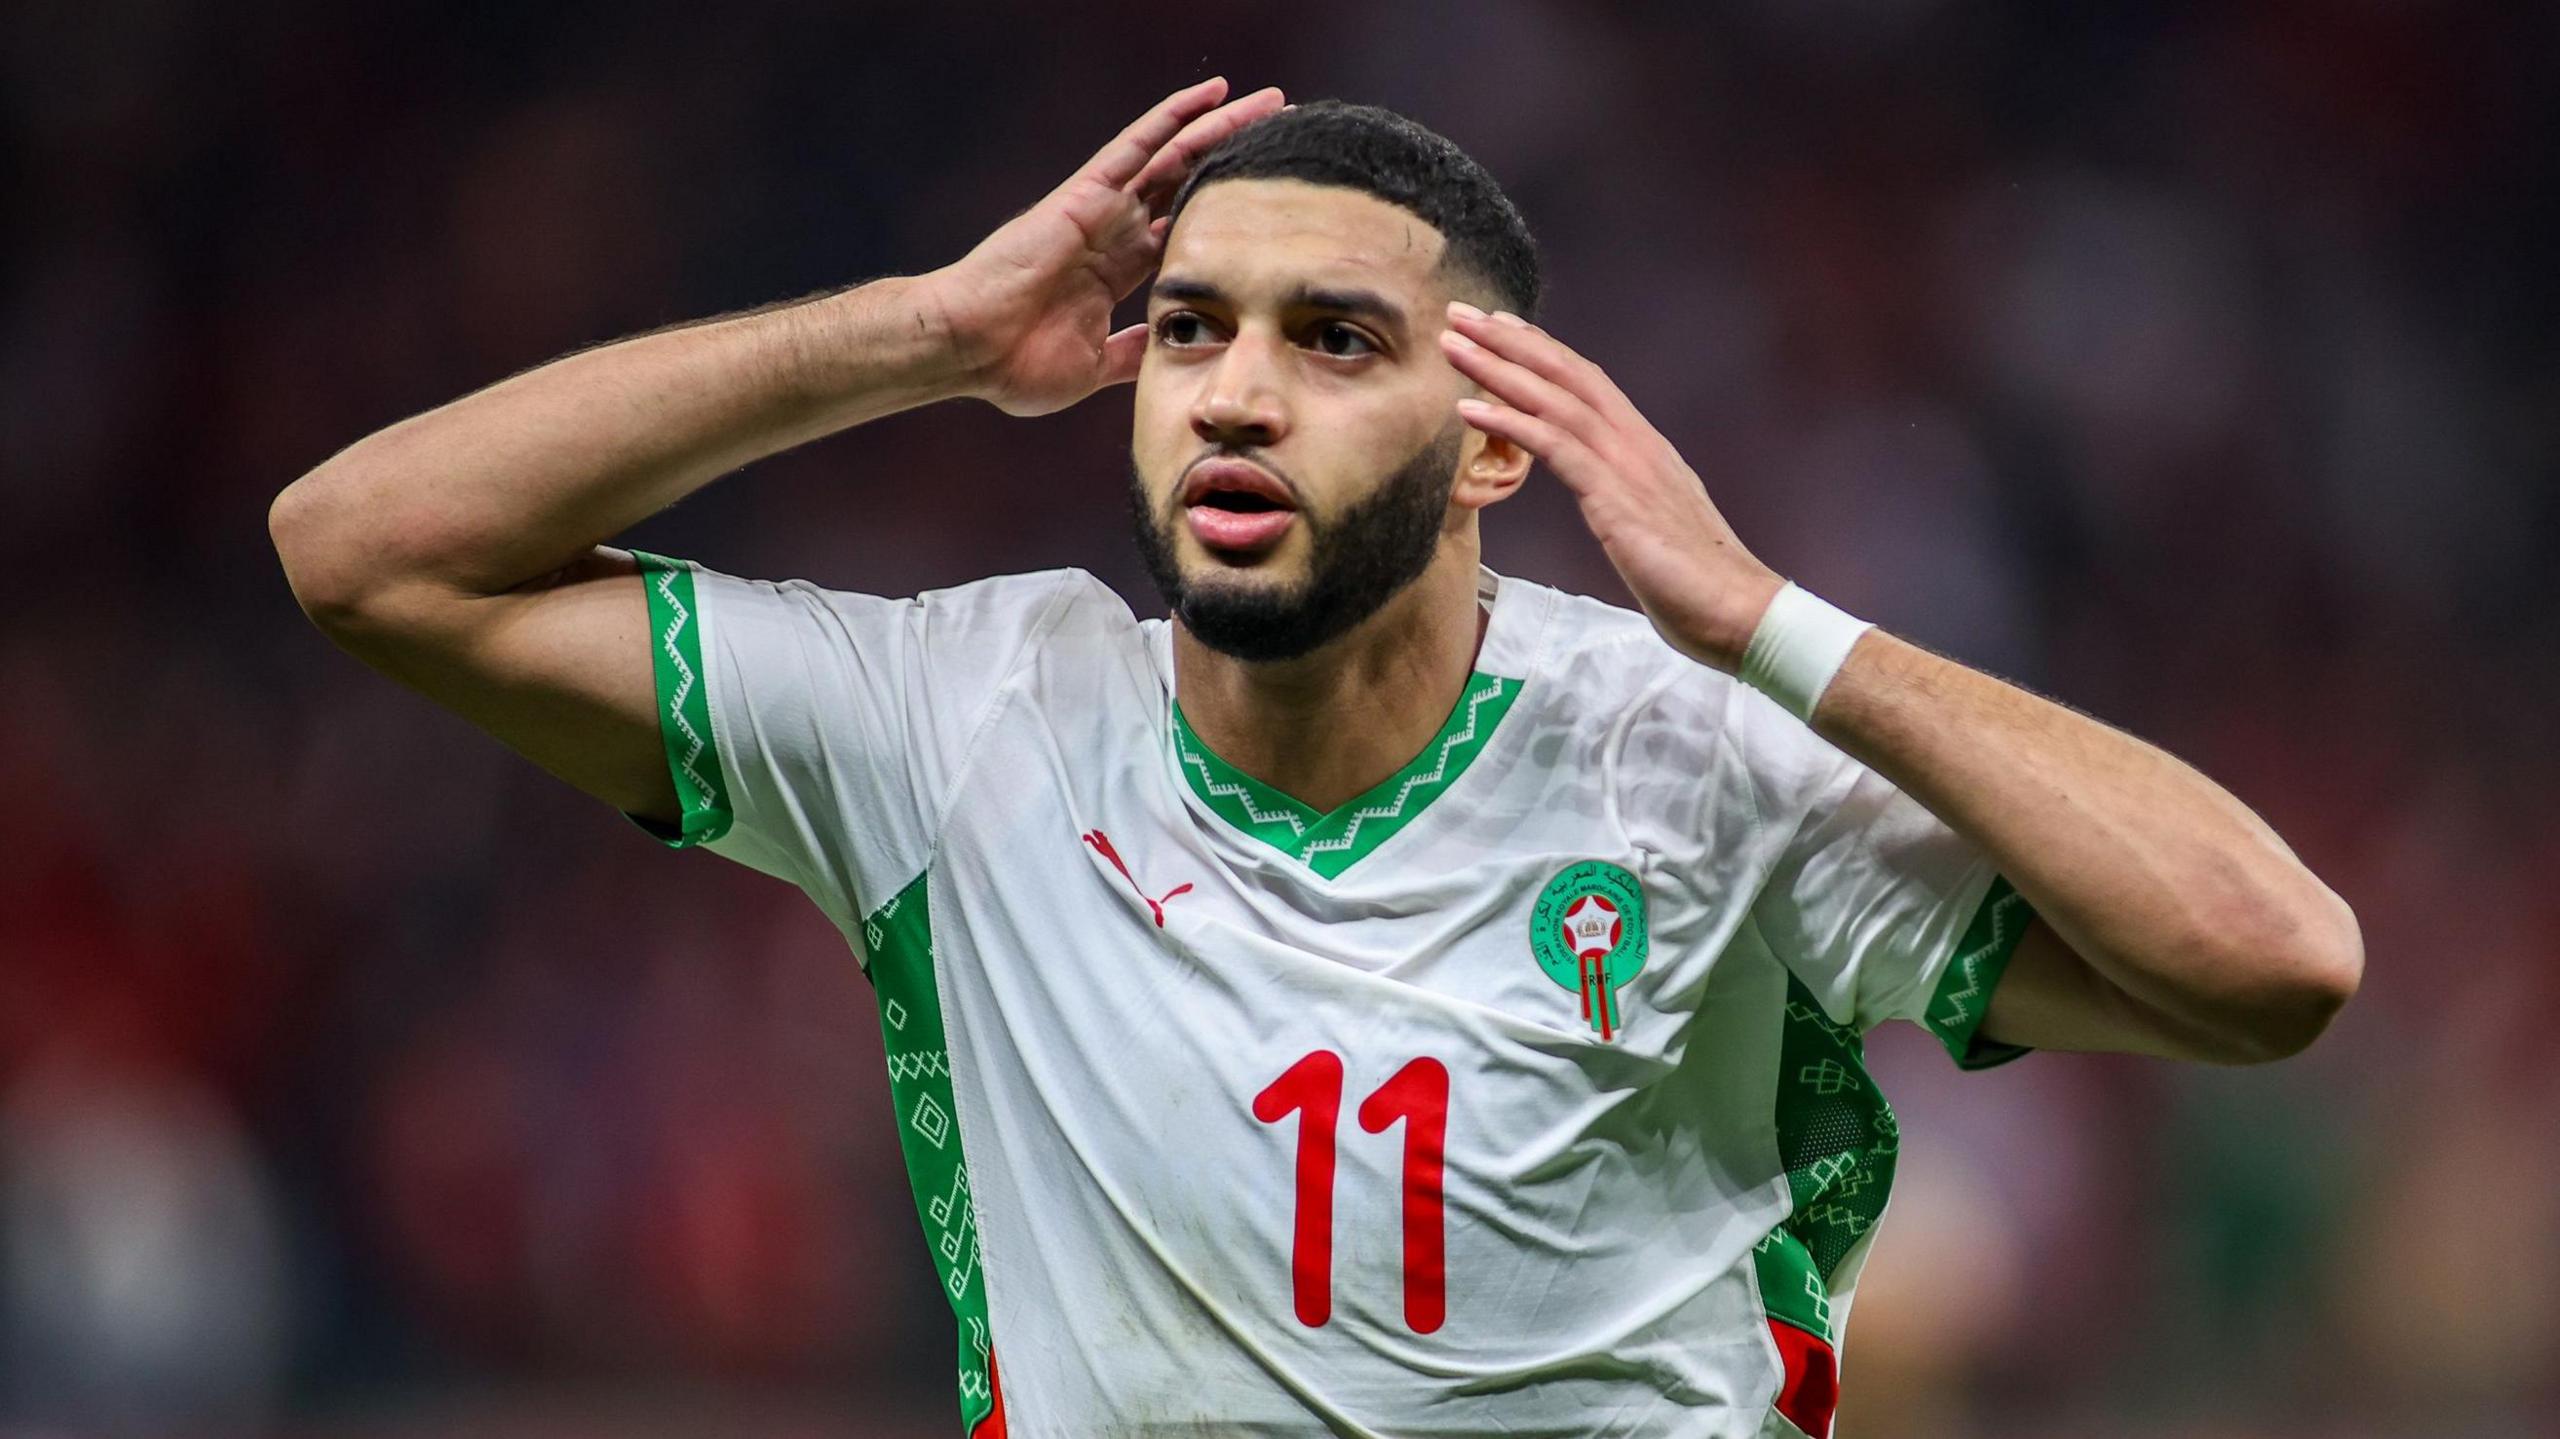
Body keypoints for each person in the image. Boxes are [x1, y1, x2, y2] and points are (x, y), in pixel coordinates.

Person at [269, 77, 2362, 1439]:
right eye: (1188, 329)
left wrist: (1756, 627)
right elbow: (365, 555)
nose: (1234, 394)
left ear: (1490, 443)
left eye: (1332, 341)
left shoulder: (1694, 763)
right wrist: (913, 336)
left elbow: (2270, 963)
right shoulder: (956, 719)